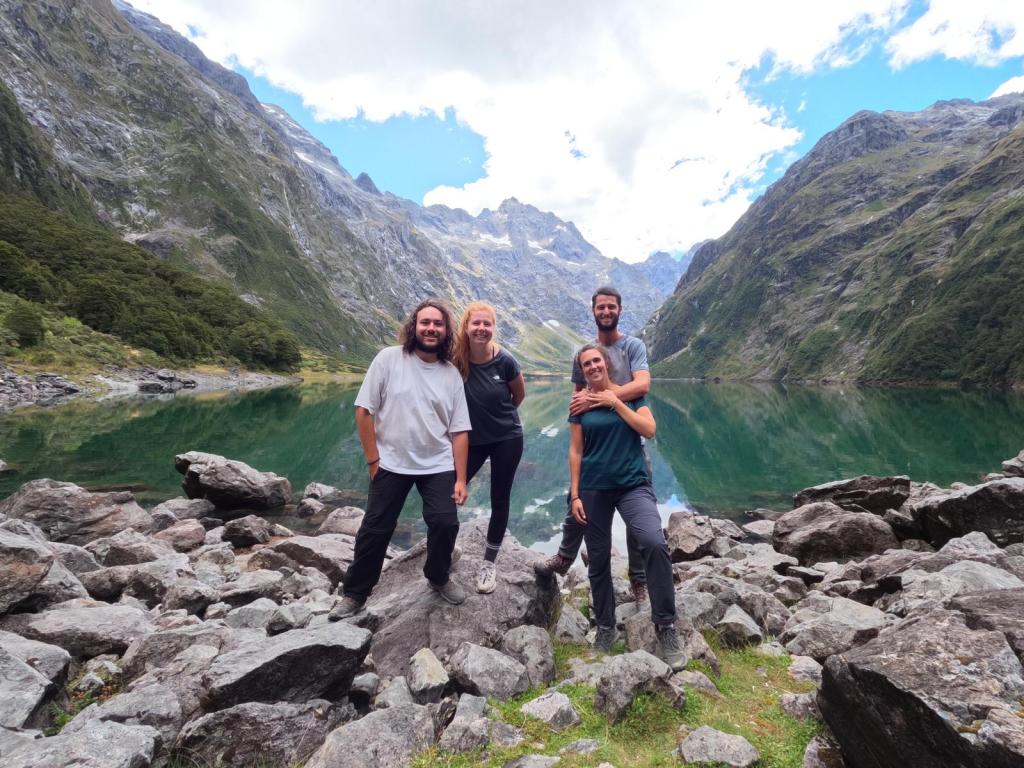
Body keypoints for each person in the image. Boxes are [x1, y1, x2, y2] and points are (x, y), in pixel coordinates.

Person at [329, 299, 471, 620]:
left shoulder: (450, 374)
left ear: (446, 331)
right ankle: (355, 594)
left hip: (437, 464)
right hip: (391, 463)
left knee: (445, 523)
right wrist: (373, 460)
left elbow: (460, 430)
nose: (431, 328)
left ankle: (437, 576)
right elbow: (364, 410)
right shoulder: (388, 359)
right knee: (375, 529)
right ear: (414, 326)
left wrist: (461, 478)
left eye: (438, 324)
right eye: (425, 323)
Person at [567, 343, 684, 669]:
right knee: (598, 557)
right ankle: (606, 627)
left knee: (653, 541)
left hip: (633, 485)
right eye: (586, 364)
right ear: (582, 371)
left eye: (596, 361)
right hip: (593, 489)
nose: (592, 367)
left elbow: (649, 429)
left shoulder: (630, 395)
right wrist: (575, 495)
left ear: (606, 364)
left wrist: (615, 402)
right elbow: (575, 450)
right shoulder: (579, 404)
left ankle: (666, 625)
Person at [534, 286, 652, 603]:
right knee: (576, 497)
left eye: (611, 306)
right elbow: (577, 395)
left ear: (620, 310)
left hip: (629, 438)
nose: (606, 311)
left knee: (637, 510)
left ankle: (638, 578)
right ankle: (564, 557)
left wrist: (604, 399)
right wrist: (585, 407)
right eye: (601, 307)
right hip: (596, 440)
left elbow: (643, 384)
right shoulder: (585, 353)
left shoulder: (633, 346)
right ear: (593, 310)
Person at [452, 301, 526, 593]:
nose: (481, 328)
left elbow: (518, 395)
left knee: (500, 499)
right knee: (447, 490)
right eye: (477, 323)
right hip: (471, 440)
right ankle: (447, 547)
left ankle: (488, 564)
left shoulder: (505, 360)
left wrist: (497, 418)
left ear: (493, 328)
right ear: (467, 327)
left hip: (507, 438)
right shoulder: (456, 358)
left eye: (487, 324)